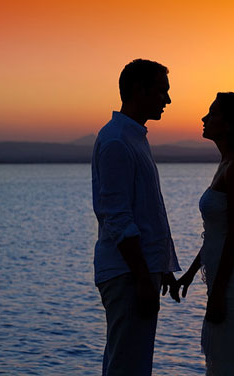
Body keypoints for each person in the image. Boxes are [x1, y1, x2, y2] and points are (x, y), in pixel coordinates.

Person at [171, 92, 234, 375]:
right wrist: (191, 274)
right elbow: (214, 235)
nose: (204, 119)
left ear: (229, 124)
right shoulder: (225, 165)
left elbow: (233, 237)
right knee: (224, 360)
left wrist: (218, 293)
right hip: (221, 277)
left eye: (212, 113)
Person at [92, 59, 181, 376]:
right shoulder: (117, 141)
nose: (167, 100)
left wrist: (162, 266)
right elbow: (117, 217)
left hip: (140, 271)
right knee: (127, 365)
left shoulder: (134, 137)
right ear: (137, 90)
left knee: (133, 362)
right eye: (161, 92)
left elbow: (148, 212)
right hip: (127, 273)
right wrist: (144, 276)